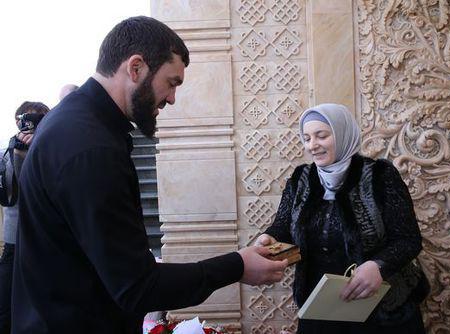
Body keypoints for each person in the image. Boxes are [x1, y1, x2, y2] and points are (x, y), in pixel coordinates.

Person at [12, 16, 287, 334]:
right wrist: (237, 266)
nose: (172, 99)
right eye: (171, 82)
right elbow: (136, 287)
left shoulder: (76, 123)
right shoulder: (91, 148)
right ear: (136, 68)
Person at [256, 104, 429, 333]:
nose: (312, 145)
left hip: (382, 310)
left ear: (342, 133)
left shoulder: (380, 176)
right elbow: (284, 226)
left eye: (322, 136)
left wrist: (378, 266)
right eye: (306, 138)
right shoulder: (301, 180)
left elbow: (408, 239)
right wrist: (269, 238)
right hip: (322, 308)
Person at [0, 101, 50, 333]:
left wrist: (35, 150)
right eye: (24, 119)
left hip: (43, 240)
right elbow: (9, 193)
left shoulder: (49, 148)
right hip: (13, 240)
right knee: (6, 303)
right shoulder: (6, 152)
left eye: (34, 120)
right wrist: (17, 153)